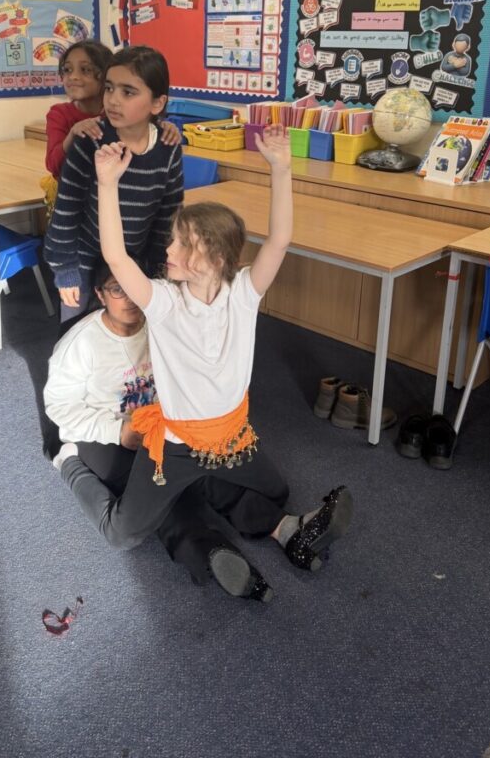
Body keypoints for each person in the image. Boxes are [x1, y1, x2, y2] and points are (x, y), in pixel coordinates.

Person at [53, 124, 353, 577]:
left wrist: (281, 168)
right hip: (176, 446)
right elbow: (116, 257)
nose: (168, 249)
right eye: (172, 240)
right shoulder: (163, 301)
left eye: (182, 243)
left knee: (278, 492)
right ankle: (71, 465)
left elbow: (279, 240)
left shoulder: (243, 292)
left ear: (216, 259)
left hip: (230, 438)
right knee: (123, 533)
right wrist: (107, 183)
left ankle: (259, 517)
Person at [44, 258, 278, 601]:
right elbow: (60, 409)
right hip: (104, 432)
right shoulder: (79, 345)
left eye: (133, 288)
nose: (129, 299)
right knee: (151, 494)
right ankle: (210, 554)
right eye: (116, 290)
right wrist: (119, 432)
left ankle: (278, 524)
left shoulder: (161, 326)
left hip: (158, 425)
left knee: (201, 470)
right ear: (100, 295)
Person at [43, 46, 184, 323]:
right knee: (76, 331)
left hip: (135, 262)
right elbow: (66, 211)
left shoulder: (168, 147)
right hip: (84, 260)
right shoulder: (90, 141)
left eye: (128, 92)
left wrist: (159, 269)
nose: (113, 100)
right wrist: (65, 269)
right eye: (109, 88)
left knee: (132, 332)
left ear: (157, 103)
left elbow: (168, 216)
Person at [45, 40, 182, 180]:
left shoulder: (117, 114)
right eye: (67, 70)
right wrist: (73, 134)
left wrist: (163, 127)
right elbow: (53, 165)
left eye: (85, 70)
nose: (73, 77)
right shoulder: (59, 114)